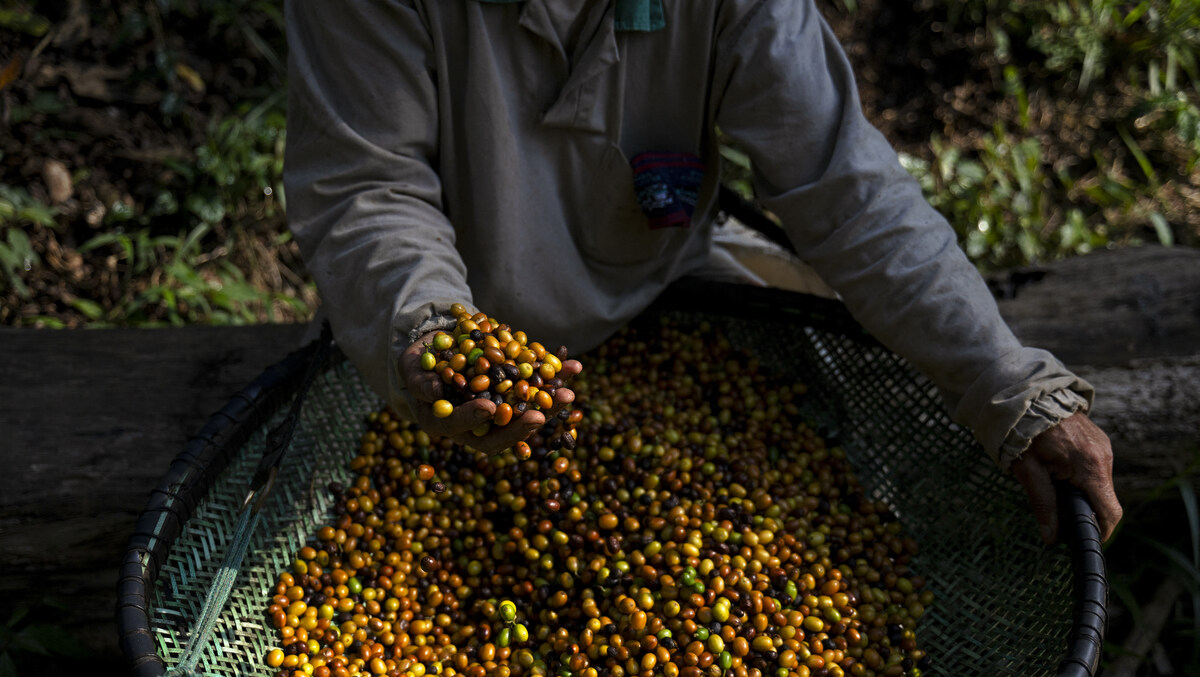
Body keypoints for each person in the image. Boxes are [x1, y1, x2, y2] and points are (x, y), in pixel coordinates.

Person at [282, 0, 1122, 542]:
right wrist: (429, 333)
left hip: (669, 290)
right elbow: (368, 188)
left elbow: (847, 189)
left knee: (822, 505)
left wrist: (1007, 382)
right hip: (448, 342)